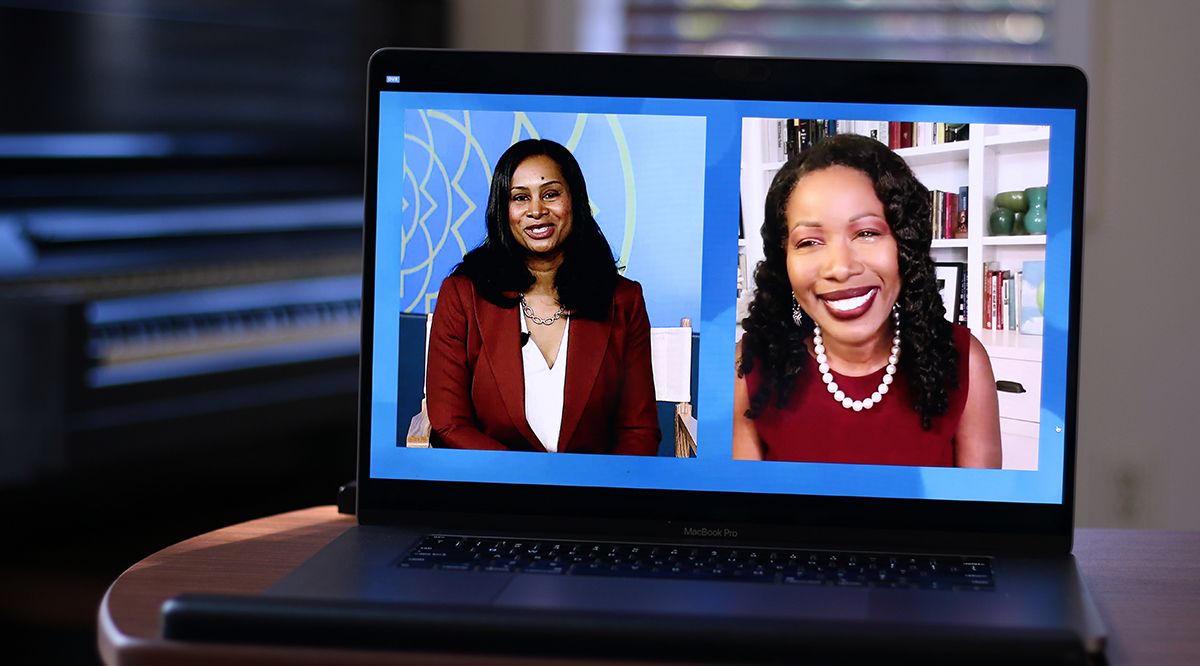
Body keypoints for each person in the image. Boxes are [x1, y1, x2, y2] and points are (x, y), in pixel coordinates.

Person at [733, 133, 1002, 468]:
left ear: (904, 247)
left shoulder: (965, 361)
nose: (841, 268)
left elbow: (980, 517)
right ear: (783, 260)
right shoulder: (750, 367)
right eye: (809, 242)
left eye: (867, 233)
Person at [426, 138, 661, 455]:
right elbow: (449, 423)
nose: (536, 210)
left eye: (550, 194)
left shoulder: (624, 299)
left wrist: (605, 497)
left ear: (574, 201)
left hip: (592, 495)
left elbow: (638, 430)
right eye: (520, 198)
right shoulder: (463, 294)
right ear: (503, 210)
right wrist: (525, 484)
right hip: (493, 491)